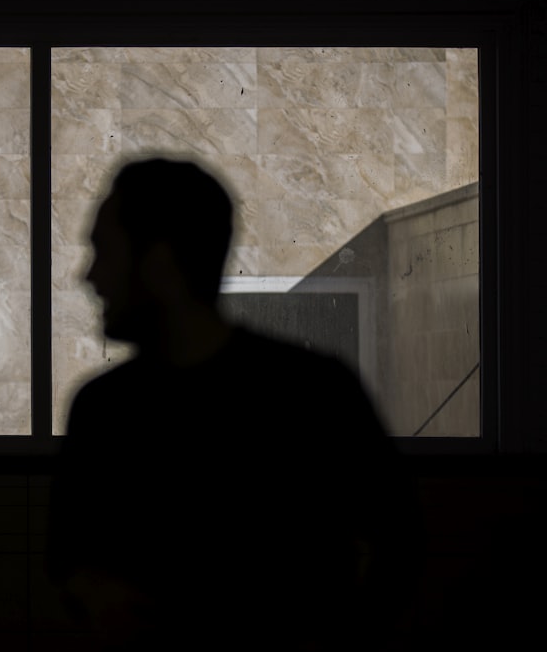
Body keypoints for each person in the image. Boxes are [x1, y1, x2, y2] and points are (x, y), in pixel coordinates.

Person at [45, 157, 424, 652]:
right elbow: (68, 554)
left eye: (104, 251)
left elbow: (397, 540)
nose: (88, 276)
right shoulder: (101, 407)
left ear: (159, 262)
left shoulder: (312, 394)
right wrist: (88, 588)